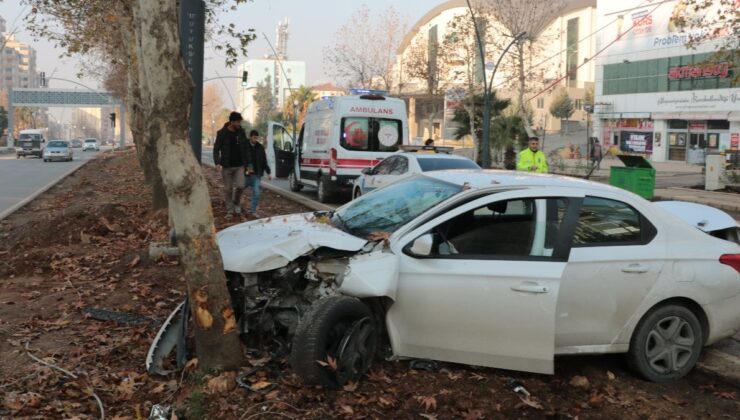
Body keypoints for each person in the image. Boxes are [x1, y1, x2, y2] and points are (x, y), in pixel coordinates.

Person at [213, 112, 248, 217]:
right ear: (231, 122)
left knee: (241, 186)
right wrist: (217, 162)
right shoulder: (222, 133)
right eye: (237, 122)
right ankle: (229, 210)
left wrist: (248, 164)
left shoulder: (241, 132)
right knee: (228, 189)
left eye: (240, 122)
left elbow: (246, 148)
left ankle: (237, 202)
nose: (239, 124)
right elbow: (216, 149)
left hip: (239, 166)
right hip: (227, 166)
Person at [244, 130, 272, 216]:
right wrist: (247, 168)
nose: (255, 139)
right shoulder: (245, 146)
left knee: (256, 193)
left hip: (256, 175)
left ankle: (253, 211)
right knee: (238, 189)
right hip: (246, 175)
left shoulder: (260, 147)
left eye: (257, 138)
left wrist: (268, 172)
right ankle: (235, 206)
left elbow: (264, 161)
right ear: (250, 137)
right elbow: (242, 159)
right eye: (254, 137)